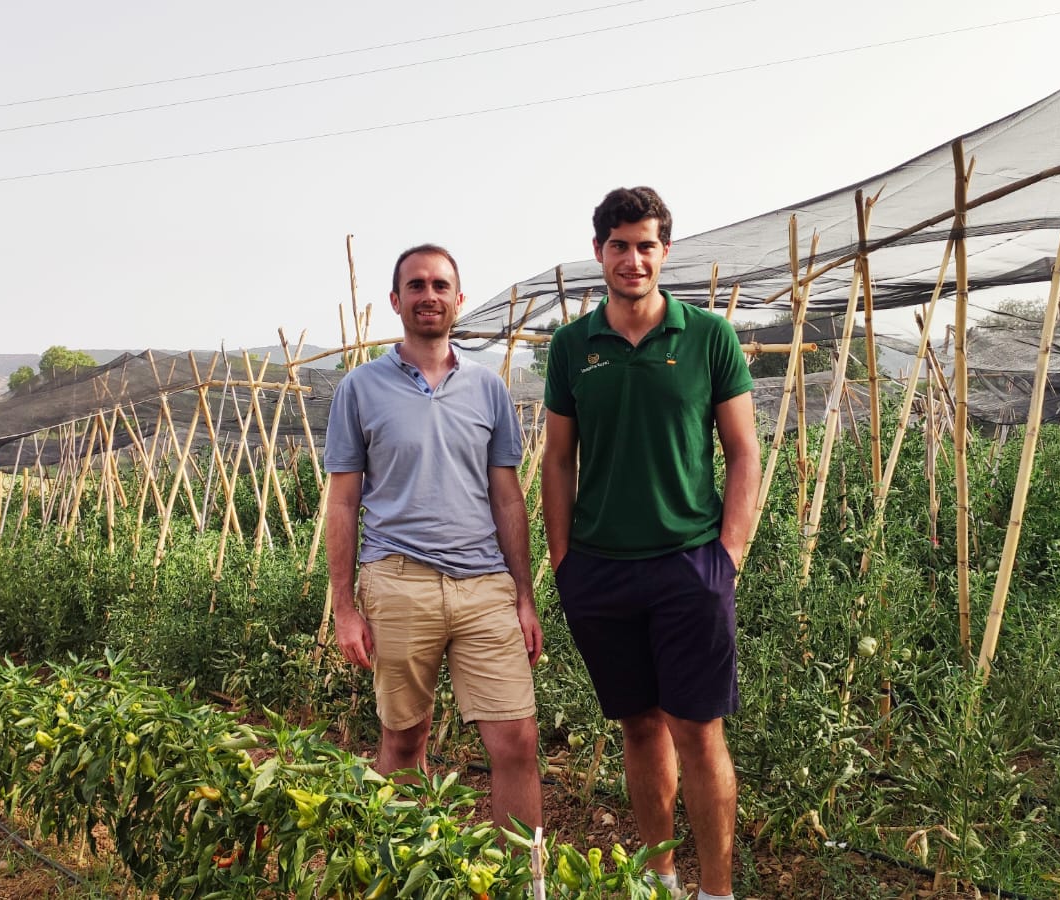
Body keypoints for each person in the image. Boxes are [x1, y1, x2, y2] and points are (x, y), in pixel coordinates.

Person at [541, 187, 760, 900]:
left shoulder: (707, 337)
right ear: (599, 252)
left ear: (664, 251)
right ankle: (662, 879)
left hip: (688, 564)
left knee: (698, 730)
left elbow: (743, 451)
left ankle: (717, 890)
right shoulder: (573, 347)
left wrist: (728, 555)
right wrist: (563, 561)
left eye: (645, 245)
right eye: (618, 245)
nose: (632, 259)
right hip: (600, 572)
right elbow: (557, 460)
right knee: (639, 727)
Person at [324, 243, 543, 833]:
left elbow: (507, 496)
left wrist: (523, 595)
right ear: (396, 301)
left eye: (440, 286)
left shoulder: (487, 388)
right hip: (398, 581)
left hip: (484, 587)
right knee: (403, 739)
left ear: (458, 299)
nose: (429, 296)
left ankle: (519, 884)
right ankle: (400, 874)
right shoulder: (360, 389)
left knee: (518, 740)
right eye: (416, 286)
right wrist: (344, 608)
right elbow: (342, 503)